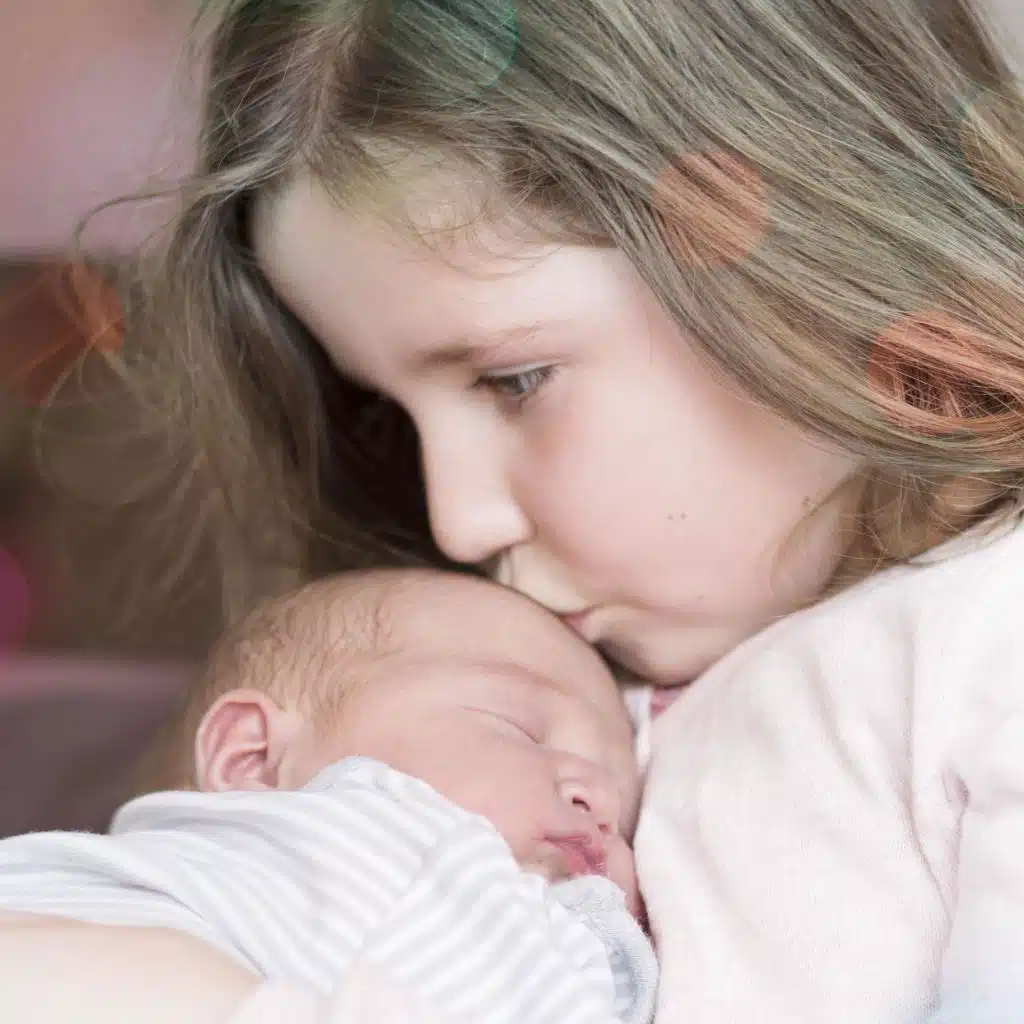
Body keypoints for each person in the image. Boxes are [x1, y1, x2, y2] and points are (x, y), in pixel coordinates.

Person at [6, 0, 1024, 1021]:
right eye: (389, 420)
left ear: (808, 257)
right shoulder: (550, 708)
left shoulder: (985, 643)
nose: (456, 524)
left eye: (514, 380)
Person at [0, 568, 656, 1024]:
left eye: (623, 805)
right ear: (254, 759)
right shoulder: (377, 837)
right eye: (521, 729)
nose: (596, 795)